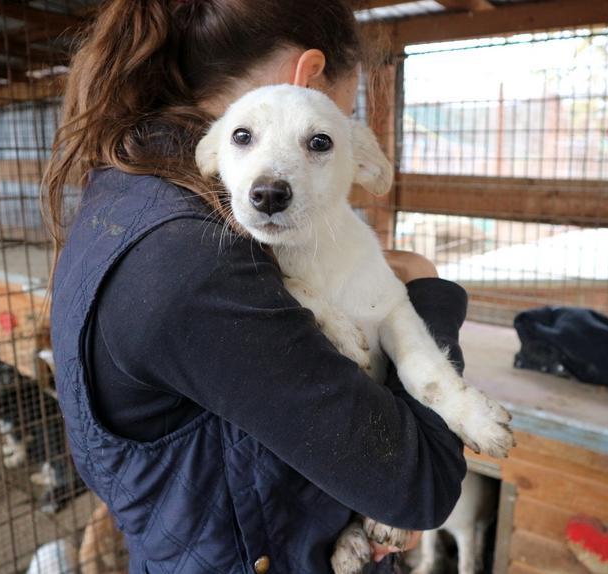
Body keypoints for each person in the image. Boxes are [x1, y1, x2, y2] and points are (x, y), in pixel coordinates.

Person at [43, 1, 468, 573]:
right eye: (332, 127)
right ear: (308, 78)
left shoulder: (126, 190)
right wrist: (426, 290)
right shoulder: (198, 258)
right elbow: (422, 487)